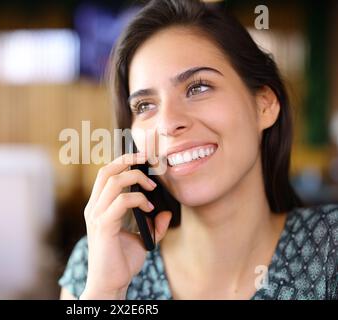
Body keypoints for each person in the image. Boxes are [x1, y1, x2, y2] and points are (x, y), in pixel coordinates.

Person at [59, 0, 338, 300]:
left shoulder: (330, 248)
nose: (168, 123)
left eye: (198, 88)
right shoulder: (95, 263)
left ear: (264, 104)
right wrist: (107, 292)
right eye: (145, 106)